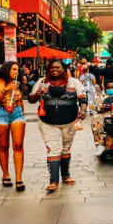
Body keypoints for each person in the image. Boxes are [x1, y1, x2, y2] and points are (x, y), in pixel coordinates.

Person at [29, 59, 87, 193]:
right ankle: (53, 181)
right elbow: (31, 99)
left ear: (64, 69)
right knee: (54, 149)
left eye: (58, 67)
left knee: (65, 149)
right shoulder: (43, 82)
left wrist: (83, 110)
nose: (54, 70)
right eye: (52, 68)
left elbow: (82, 98)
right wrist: (38, 93)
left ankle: (66, 175)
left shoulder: (74, 82)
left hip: (69, 122)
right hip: (47, 122)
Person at [0, 61, 26, 192]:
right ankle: (5, 174)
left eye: (17, 69)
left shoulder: (18, 83)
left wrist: (21, 109)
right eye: (14, 69)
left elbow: (20, 99)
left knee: (18, 145)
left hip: (16, 113)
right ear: (6, 70)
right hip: (1, 114)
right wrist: (6, 89)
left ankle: (19, 179)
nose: (16, 72)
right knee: (3, 146)